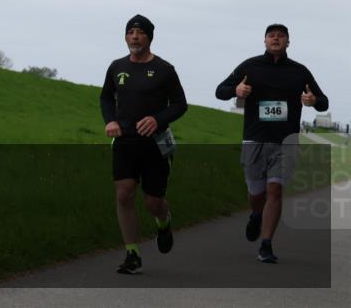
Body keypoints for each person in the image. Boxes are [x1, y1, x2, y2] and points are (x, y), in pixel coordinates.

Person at [215, 23, 329, 263]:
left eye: (281, 36)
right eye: (271, 36)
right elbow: (220, 91)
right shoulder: (250, 66)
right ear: (265, 41)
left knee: (275, 190)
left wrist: (313, 100)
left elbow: (323, 102)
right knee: (256, 193)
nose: (276, 39)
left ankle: (266, 244)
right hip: (254, 138)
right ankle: (256, 214)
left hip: (285, 141)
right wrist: (236, 90)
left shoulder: (300, 72)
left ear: (288, 42)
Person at [100, 14, 188, 275]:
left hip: (156, 144)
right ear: (125, 37)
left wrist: (157, 119)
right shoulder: (117, 67)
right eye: (130, 33)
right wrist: (110, 120)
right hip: (125, 140)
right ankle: (132, 253)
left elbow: (180, 104)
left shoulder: (164, 69)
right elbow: (106, 98)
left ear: (149, 38)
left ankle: (164, 221)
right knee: (124, 193)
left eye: (140, 33)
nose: (135, 37)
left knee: (153, 202)